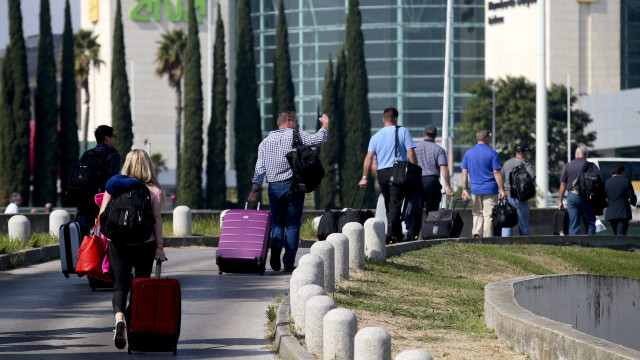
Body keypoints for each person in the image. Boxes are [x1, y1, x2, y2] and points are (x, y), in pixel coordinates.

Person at [97, 149, 166, 350]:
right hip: (145, 243)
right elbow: (157, 220)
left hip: (117, 242)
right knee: (140, 286)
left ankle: (119, 319)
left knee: (120, 285)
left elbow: (102, 215)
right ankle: (130, 321)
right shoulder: (154, 191)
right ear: (148, 166)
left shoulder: (114, 186)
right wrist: (160, 248)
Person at [249, 111, 329, 272]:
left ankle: (276, 246)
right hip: (293, 187)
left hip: (273, 187)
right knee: (292, 225)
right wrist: (325, 123)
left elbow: (259, 168)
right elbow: (318, 139)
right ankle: (288, 263)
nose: (298, 125)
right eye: (296, 121)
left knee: (277, 222)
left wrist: (254, 190)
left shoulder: (265, 142)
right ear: (288, 121)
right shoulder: (295, 135)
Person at [359, 107, 417, 244]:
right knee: (395, 204)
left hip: (382, 174)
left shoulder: (376, 136)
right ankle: (391, 235)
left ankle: (396, 235)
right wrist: (415, 169)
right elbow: (411, 154)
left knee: (389, 204)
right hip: (397, 171)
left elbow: (369, 158)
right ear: (395, 119)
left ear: (383, 119)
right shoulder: (403, 131)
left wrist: (364, 177)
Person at [461, 130, 506, 238]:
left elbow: (464, 172)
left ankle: (476, 234)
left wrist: (464, 189)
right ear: (486, 138)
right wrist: (502, 189)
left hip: (475, 189)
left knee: (477, 213)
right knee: (488, 215)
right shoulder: (492, 153)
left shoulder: (468, 153)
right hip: (490, 189)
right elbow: (497, 172)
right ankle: (487, 238)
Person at [76, 125, 121, 236]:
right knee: (105, 233)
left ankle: (86, 253)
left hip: (85, 201)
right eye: (114, 137)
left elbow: (78, 180)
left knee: (85, 235)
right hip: (103, 199)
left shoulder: (86, 155)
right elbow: (113, 180)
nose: (115, 140)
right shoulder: (113, 155)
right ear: (107, 138)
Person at [558, 145, 599, 235]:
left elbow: (563, 184)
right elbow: (599, 181)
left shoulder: (568, 165)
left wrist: (560, 201)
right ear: (586, 155)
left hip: (571, 196)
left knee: (573, 224)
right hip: (586, 197)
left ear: (576, 154)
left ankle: (574, 245)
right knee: (590, 223)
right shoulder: (592, 166)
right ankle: (591, 244)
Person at [414, 124, 453, 216]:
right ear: (435, 136)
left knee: (415, 210)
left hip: (417, 181)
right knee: (432, 212)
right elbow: (444, 168)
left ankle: (414, 230)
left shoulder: (414, 148)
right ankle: (430, 230)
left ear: (424, 134)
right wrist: (448, 186)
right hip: (431, 182)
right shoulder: (439, 150)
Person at [501, 144, 535, 236]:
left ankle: (505, 242)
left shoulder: (506, 163)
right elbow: (532, 176)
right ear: (524, 152)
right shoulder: (526, 163)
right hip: (520, 197)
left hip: (507, 196)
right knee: (523, 223)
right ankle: (525, 242)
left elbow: (501, 178)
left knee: (506, 223)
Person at [604, 164, 637, 235]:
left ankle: (615, 245)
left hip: (611, 212)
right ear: (622, 172)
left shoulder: (606, 182)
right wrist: (633, 202)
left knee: (615, 232)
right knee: (621, 233)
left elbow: (603, 196)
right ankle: (620, 246)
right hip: (623, 212)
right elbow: (632, 196)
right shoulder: (626, 181)